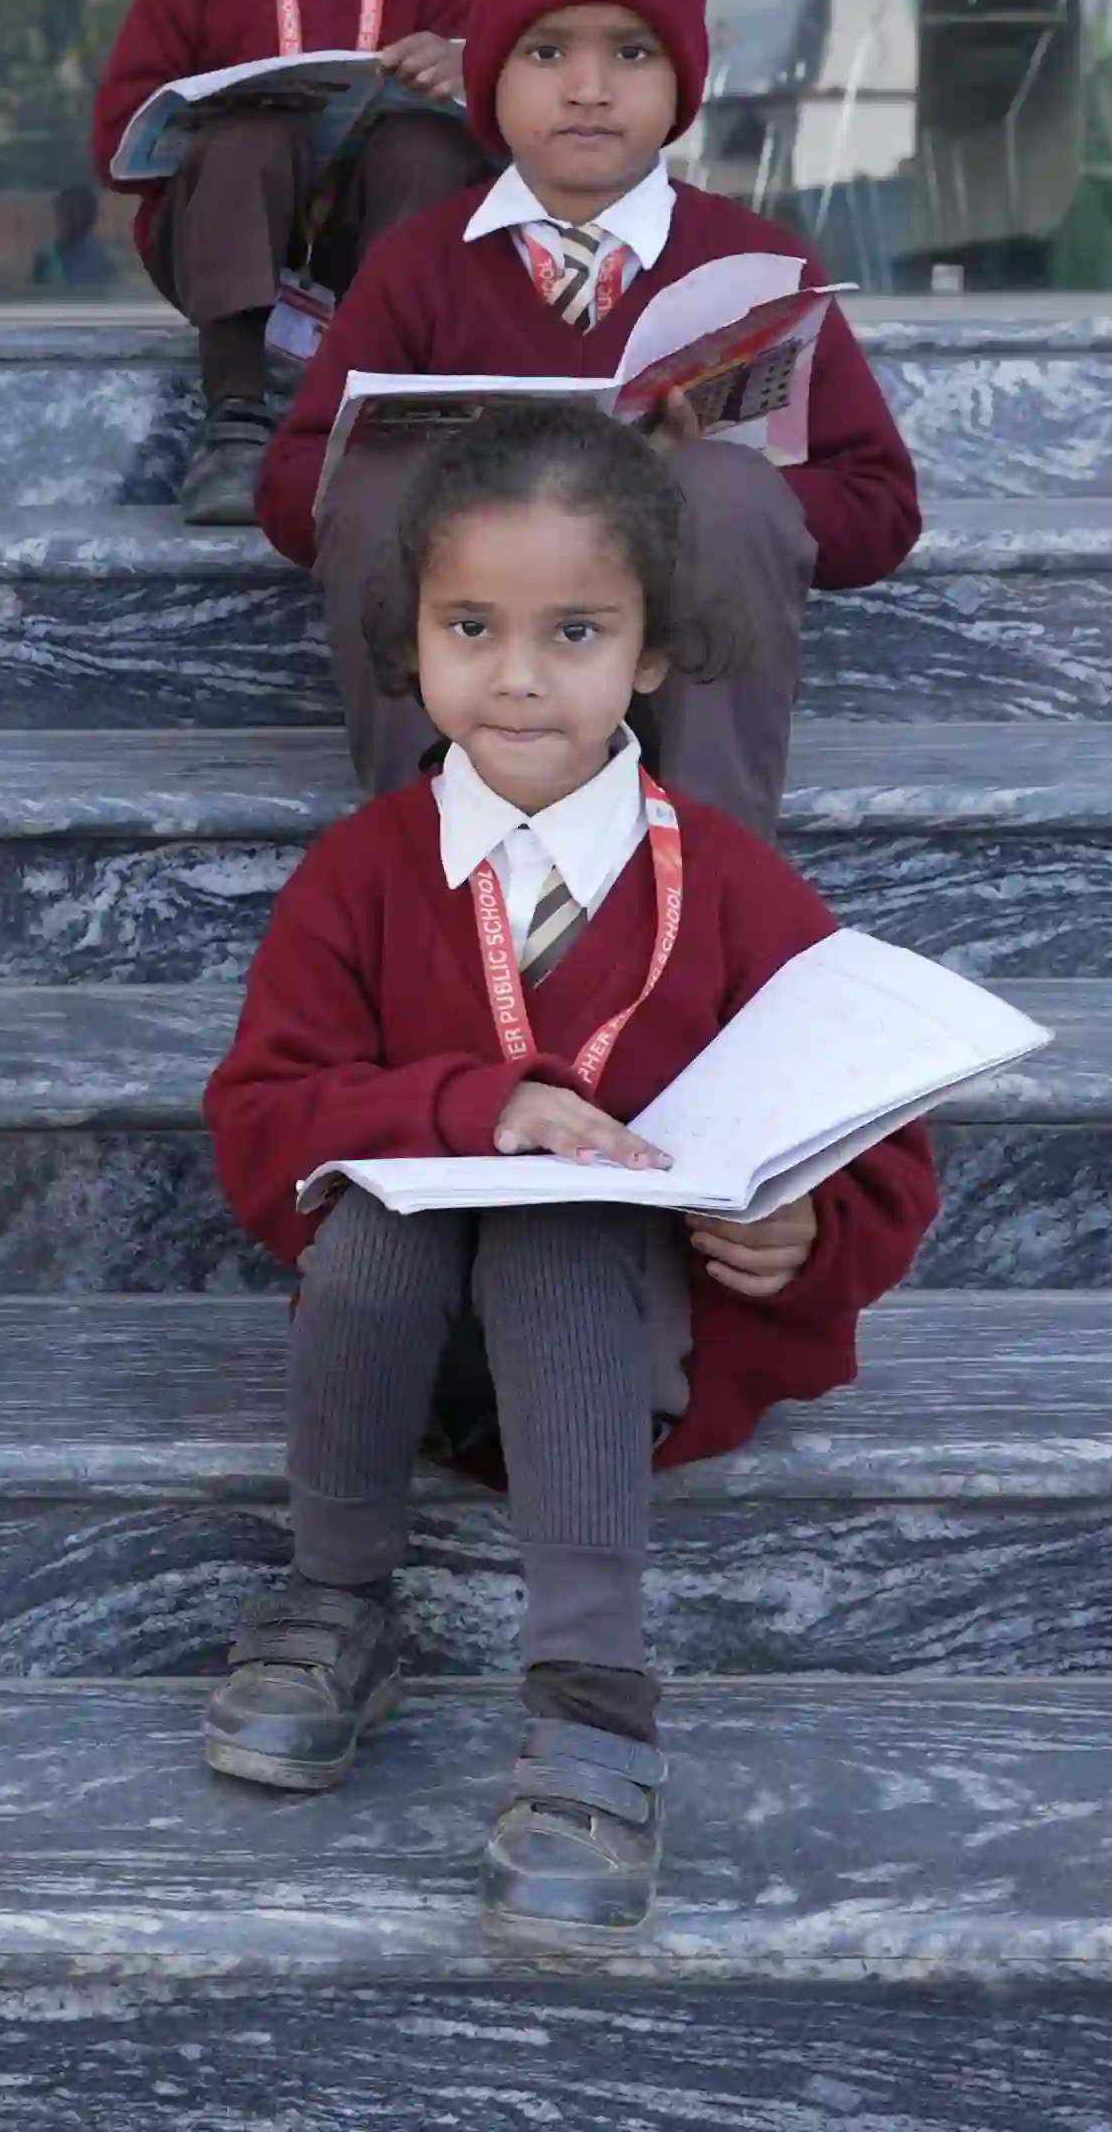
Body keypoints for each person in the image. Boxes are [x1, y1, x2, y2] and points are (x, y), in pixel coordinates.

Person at [200, 399, 938, 1951]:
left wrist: (802, 1231)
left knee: (564, 1236)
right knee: (387, 1208)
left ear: (652, 655)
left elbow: (878, 1134)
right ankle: (336, 1597)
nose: (519, 674)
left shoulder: (735, 886)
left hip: (620, 1354)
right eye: (472, 624)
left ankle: (594, 1698)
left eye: (576, 630)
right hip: (401, 1347)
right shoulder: (362, 873)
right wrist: (478, 1107)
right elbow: (265, 1112)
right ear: (412, 637)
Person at [258, 0, 924, 831]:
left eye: (630, 51)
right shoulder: (420, 263)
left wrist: (734, 479)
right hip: (480, 673)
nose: (587, 88)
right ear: (488, 74)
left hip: (672, 669)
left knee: (729, 492)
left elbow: (878, 506)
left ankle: (708, 892)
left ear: (681, 76)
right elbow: (290, 489)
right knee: (381, 487)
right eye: (545, 51)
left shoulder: (751, 267)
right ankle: (423, 859)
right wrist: (439, 472)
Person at [88, 0, 483, 524]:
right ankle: (235, 427)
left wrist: (470, 74)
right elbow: (118, 141)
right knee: (245, 138)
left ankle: (388, 414)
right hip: (229, 246)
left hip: (374, 251)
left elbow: (518, 144)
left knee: (426, 144)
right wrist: (198, 118)